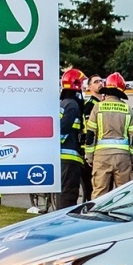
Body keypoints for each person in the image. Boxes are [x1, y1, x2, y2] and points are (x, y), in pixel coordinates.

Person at [84, 72, 133, 197]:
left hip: (101, 157)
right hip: (123, 158)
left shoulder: (97, 107)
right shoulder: (127, 109)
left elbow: (90, 135)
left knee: (100, 193)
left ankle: (97, 210)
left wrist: (90, 157)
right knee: (125, 194)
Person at [52, 67, 87, 212]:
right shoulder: (72, 105)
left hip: (62, 157)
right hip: (69, 157)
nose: (84, 89)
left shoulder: (63, 103)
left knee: (63, 192)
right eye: (83, 85)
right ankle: (63, 220)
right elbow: (63, 130)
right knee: (69, 193)